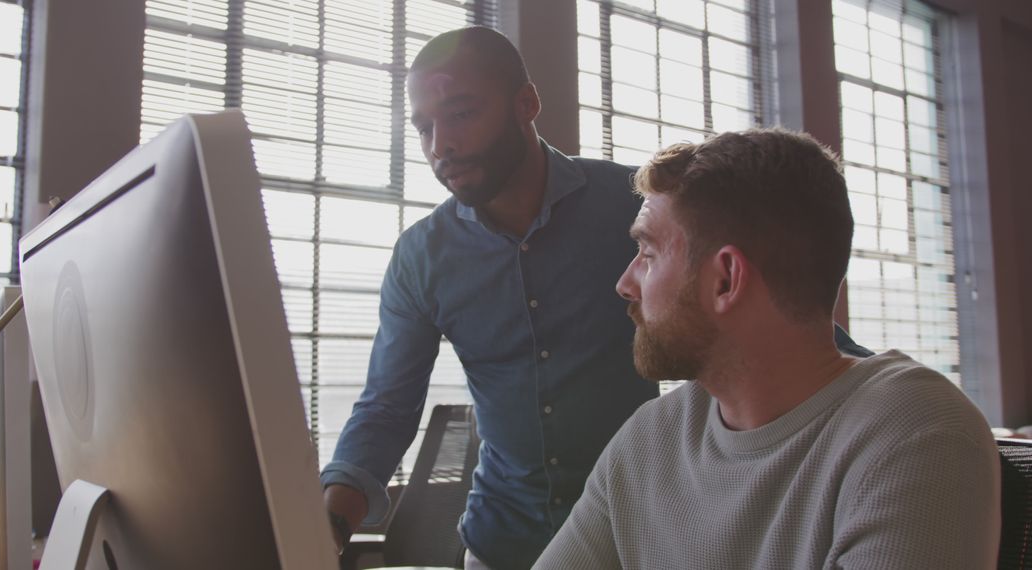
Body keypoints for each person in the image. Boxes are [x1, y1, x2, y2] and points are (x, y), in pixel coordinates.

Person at [320, 27, 869, 569]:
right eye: (423, 127)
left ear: (526, 103)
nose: (441, 145)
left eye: (461, 114)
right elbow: (386, 408)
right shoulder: (421, 257)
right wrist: (326, 529)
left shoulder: (634, 208)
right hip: (499, 546)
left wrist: (892, 398)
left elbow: (777, 316)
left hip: (637, 538)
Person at [534, 128, 1001, 569]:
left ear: (725, 279)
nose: (625, 284)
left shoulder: (914, 432)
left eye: (649, 255)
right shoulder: (649, 439)